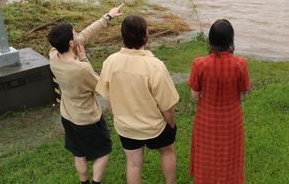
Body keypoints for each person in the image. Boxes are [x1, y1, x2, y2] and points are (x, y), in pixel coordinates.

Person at [96, 15, 179, 184]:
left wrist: (117, 115)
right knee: (168, 152)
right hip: (155, 126)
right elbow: (167, 106)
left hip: (126, 126)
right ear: (145, 36)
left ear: (123, 36)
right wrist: (171, 123)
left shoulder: (110, 62)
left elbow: (108, 96)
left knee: (133, 163)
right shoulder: (155, 66)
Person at [48, 3, 124, 184]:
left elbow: (83, 36)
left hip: (68, 116)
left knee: (79, 152)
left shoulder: (53, 55)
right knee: (103, 151)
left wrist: (107, 17)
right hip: (88, 119)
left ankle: (83, 182)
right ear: (70, 43)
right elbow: (100, 86)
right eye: (74, 33)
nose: (78, 34)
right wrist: (83, 58)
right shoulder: (80, 69)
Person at [189, 19, 251, 184]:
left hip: (206, 120)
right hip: (232, 120)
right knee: (230, 156)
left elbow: (194, 96)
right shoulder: (241, 64)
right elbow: (243, 95)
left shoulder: (199, 64)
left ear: (210, 39)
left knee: (206, 156)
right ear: (230, 40)